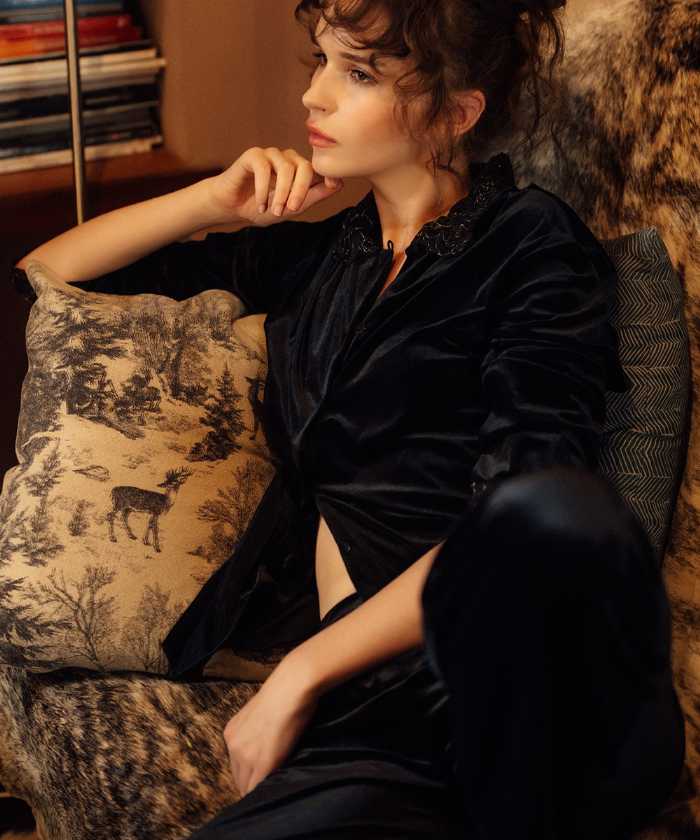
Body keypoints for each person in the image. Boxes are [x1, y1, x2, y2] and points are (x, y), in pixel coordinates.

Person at [13, 0, 685, 837]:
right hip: (379, 715)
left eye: (359, 73)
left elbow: (528, 519)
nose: (315, 96)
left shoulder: (530, 245)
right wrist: (211, 201)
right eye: (321, 61)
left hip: (515, 667)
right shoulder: (327, 255)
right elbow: (48, 274)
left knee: (549, 510)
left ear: (456, 112)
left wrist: (300, 673)